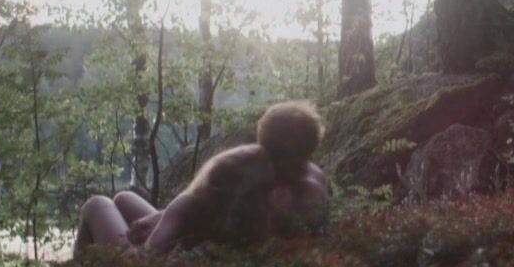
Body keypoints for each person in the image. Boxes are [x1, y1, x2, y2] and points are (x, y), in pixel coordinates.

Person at [72, 101, 329, 256]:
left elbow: (183, 213)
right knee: (124, 198)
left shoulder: (268, 187)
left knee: (96, 205)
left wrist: (157, 236)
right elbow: (200, 204)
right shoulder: (309, 180)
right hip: (191, 245)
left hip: (175, 266)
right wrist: (159, 217)